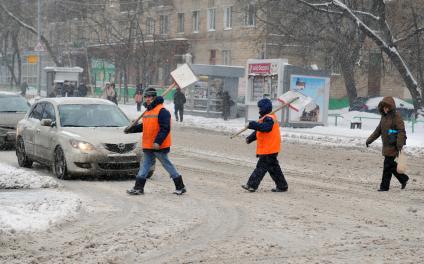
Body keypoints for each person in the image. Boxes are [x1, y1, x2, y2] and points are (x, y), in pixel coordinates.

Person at [125, 87, 186, 195]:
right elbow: (145, 126)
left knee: (167, 165)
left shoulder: (162, 111)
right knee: (145, 166)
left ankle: (180, 186)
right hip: (148, 145)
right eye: (146, 97)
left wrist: (158, 142)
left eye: (150, 97)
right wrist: (131, 129)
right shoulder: (148, 111)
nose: (147, 99)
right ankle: (138, 188)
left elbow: (165, 128)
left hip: (159, 146)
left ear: (154, 97)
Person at [242, 98, 288, 193]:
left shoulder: (269, 118)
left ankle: (251, 185)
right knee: (273, 168)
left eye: (260, 108)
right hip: (271, 148)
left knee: (261, 167)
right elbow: (259, 131)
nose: (259, 110)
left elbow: (265, 128)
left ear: (264, 108)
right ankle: (282, 186)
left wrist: (253, 124)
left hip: (269, 148)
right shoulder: (266, 118)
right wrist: (250, 138)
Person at [366, 96, 409, 191]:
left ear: (391, 107)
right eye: (384, 107)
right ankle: (403, 179)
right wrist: (369, 140)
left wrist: (399, 145)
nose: (385, 109)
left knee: (387, 165)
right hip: (386, 146)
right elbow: (378, 131)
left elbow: (401, 131)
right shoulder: (383, 117)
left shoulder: (396, 117)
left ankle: (385, 186)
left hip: (394, 145)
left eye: (387, 107)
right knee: (389, 166)